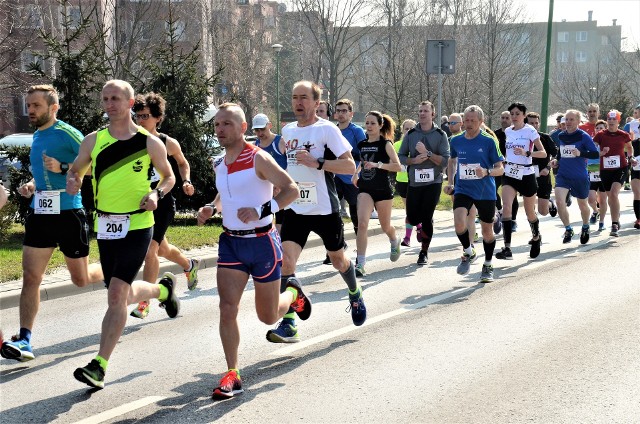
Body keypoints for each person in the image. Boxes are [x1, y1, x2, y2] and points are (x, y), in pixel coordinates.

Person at [65, 80, 178, 389]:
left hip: (139, 225)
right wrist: (73, 180)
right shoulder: (93, 141)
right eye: (105, 98)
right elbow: (75, 170)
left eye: (115, 98)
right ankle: (162, 292)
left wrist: (156, 194)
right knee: (123, 295)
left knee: (116, 294)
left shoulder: (149, 143)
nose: (109, 103)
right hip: (105, 226)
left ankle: (99, 365)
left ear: (130, 103)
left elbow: (169, 178)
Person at [196, 103, 304, 399]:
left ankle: (293, 294)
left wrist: (261, 208)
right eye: (217, 124)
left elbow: (291, 189)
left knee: (267, 318)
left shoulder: (259, 158)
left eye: (227, 124)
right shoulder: (218, 162)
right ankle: (232, 372)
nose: (220, 130)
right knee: (227, 308)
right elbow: (225, 192)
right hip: (231, 243)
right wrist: (211, 207)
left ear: (243, 128)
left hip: (262, 243)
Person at [0, 85, 104, 363]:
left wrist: (62, 167)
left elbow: (95, 166)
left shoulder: (68, 133)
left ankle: (114, 272)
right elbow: (43, 174)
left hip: (69, 213)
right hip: (41, 213)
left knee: (80, 279)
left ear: (53, 108)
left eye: (36, 106)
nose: (30, 110)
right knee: (31, 277)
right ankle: (24, 339)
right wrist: (33, 185)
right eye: (29, 105)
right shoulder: (37, 135)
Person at [266, 80, 365, 344]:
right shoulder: (287, 131)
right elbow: (289, 167)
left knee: (338, 260)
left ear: (316, 102)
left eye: (304, 98)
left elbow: (349, 166)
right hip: (296, 207)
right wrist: (280, 185)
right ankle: (288, 323)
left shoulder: (327, 130)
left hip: (324, 208)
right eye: (294, 97)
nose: (298, 103)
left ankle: (354, 292)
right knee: (286, 262)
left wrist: (318, 162)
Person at [129, 92, 200, 319]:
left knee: (151, 250)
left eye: (145, 116)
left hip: (163, 202)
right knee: (162, 249)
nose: (140, 120)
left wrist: (186, 180)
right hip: (139, 202)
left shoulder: (167, 142)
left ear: (158, 118)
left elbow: (182, 162)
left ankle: (144, 301)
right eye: (137, 116)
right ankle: (189, 264)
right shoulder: (130, 140)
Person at [446, 105, 504, 283]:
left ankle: (487, 264)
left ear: (481, 121)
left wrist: (486, 172)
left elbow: (500, 169)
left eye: (473, 120)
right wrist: (450, 182)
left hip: (485, 190)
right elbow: (452, 161)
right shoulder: (456, 140)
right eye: (467, 120)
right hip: (463, 188)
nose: (469, 123)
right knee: (458, 222)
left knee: (487, 231)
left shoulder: (488, 141)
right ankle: (469, 251)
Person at [398, 101, 450, 265]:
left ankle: (423, 252)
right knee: (412, 217)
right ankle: (421, 228)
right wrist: (413, 160)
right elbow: (400, 157)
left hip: (433, 182)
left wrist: (427, 154)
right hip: (414, 182)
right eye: (420, 111)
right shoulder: (411, 134)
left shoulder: (440, 135)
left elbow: (445, 161)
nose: (422, 113)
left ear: (432, 114)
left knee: (427, 216)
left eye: (425, 111)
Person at [352, 111, 402, 277]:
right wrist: (356, 173)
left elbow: (397, 166)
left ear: (380, 125)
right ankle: (360, 263)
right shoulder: (362, 144)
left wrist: (377, 165)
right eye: (367, 123)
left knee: (385, 226)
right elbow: (361, 161)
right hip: (365, 188)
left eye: (372, 123)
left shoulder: (385, 144)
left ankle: (394, 239)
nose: (369, 126)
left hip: (383, 189)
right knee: (363, 224)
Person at [495, 103, 546, 260]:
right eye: (512, 113)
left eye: (517, 113)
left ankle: (536, 237)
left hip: (526, 173)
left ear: (524, 115)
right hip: (510, 172)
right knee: (507, 208)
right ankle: (507, 248)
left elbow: (543, 153)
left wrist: (527, 153)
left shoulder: (530, 131)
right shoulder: (508, 131)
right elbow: (507, 151)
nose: (514, 116)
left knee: (529, 212)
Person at [322, 99, 365, 265]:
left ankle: (359, 252)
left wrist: (357, 173)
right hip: (334, 178)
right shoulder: (331, 130)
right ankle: (334, 248)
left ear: (351, 113)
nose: (340, 113)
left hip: (352, 179)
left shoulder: (357, 131)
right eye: (338, 110)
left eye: (344, 111)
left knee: (355, 217)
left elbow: (364, 155)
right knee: (331, 215)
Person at [550, 109, 600, 244]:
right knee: (560, 202)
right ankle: (568, 229)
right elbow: (561, 153)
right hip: (563, 175)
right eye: (566, 119)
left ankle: (585, 226)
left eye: (571, 119)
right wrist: (556, 160)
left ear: (578, 121)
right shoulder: (561, 136)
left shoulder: (583, 136)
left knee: (583, 204)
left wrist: (580, 153)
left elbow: (595, 154)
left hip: (579, 176)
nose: (568, 122)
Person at [593, 110, 633, 236]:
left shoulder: (623, 135)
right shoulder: (600, 135)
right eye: (609, 119)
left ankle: (614, 224)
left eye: (613, 119)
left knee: (614, 194)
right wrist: (600, 152)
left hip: (620, 168)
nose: (611, 121)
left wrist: (630, 158)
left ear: (618, 121)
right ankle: (617, 214)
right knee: (611, 197)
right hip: (605, 169)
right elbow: (593, 148)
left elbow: (630, 147)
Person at [252, 113, 287, 234]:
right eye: (257, 130)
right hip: (264, 190)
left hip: (281, 189)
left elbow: (291, 165)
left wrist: (281, 183)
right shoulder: (255, 146)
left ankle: (281, 248)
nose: (260, 133)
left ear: (270, 126)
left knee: (280, 222)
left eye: (263, 129)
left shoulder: (280, 141)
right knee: (265, 222)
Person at [526, 112, 558, 218]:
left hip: (543, 175)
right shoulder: (522, 138)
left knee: (543, 212)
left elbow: (556, 154)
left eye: (536, 123)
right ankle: (535, 229)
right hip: (527, 176)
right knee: (530, 209)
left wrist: (548, 168)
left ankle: (550, 203)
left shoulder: (545, 138)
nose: (534, 126)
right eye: (531, 123)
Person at [492, 110, 517, 233]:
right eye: (502, 117)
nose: (504, 120)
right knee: (493, 190)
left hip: (512, 167)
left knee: (512, 195)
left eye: (507, 117)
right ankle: (500, 211)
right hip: (499, 167)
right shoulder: (495, 134)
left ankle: (512, 221)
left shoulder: (516, 133)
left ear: (511, 119)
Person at [395, 119, 416, 246]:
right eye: (406, 128)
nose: (408, 131)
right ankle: (417, 227)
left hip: (416, 181)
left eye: (411, 129)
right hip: (402, 180)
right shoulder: (397, 145)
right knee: (409, 210)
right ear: (402, 130)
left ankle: (408, 237)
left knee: (414, 210)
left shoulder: (418, 144)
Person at [587, 119, 608, 231]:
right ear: (595, 129)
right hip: (592, 171)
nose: (599, 130)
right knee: (591, 199)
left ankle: (602, 222)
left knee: (603, 200)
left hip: (604, 172)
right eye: (597, 128)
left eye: (601, 128)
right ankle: (595, 211)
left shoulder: (608, 141)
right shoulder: (590, 141)